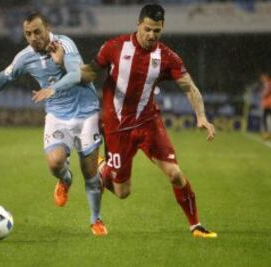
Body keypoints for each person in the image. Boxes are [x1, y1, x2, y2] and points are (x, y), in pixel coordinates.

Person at [50, 4, 217, 238]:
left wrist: (201, 116)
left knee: (175, 174)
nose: (151, 35)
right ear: (138, 24)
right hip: (117, 128)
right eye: (147, 29)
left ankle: (196, 226)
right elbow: (90, 72)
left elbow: (189, 86)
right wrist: (63, 64)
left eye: (156, 31)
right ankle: (102, 165)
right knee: (122, 192)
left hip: (149, 123)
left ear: (163, 28)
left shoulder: (167, 56)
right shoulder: (114, 47)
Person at [0, 12, 107, 236]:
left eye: (37, 32)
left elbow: (75, 75)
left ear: (47, 28)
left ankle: (95, 220)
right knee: (55, 163)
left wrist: (53, 86)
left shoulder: (64, 44)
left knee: (90, 172)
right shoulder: (24, 57)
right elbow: (4, 77)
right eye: (28, 34)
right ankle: (65, 180)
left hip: (86, 112)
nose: (33, 37)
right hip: (57, 115)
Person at [260, 73, 271, 140]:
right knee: (266, 118)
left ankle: (267, 134)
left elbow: (266, 93)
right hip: (267, 103)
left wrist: (262, 94)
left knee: (265, 118)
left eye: (263, 78)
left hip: (268, 104)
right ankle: (267, 133)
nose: (261, 79)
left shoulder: (268, 83)